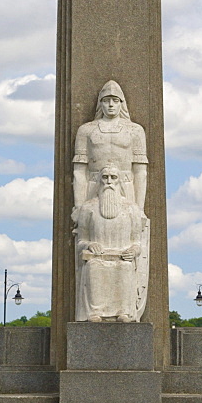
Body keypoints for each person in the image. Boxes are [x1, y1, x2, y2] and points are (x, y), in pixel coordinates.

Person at [74, 165, 146, 322]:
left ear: (119, 181)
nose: (109, 182)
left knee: (125, 268)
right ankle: (95, 312)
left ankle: (123, 312)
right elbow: (81, 240)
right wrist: (88, 245)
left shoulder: (131, 208)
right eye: (105, 177)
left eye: (113, 177)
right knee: (93, 267)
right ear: (99, 181)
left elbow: (137, 242)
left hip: (121, 258)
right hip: (98, 258)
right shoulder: (88, 207)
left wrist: (133, 251)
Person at [72, 80, 148, 211]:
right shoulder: (86, 130)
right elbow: (79, 172)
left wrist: (140, 209)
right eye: (106, 100)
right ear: (100, 103)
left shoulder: (135, 131)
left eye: (115, 100)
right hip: (94, 185)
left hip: (126, 186)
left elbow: (140, 172)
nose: (111, 105)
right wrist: (79, 206)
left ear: (121, 103)